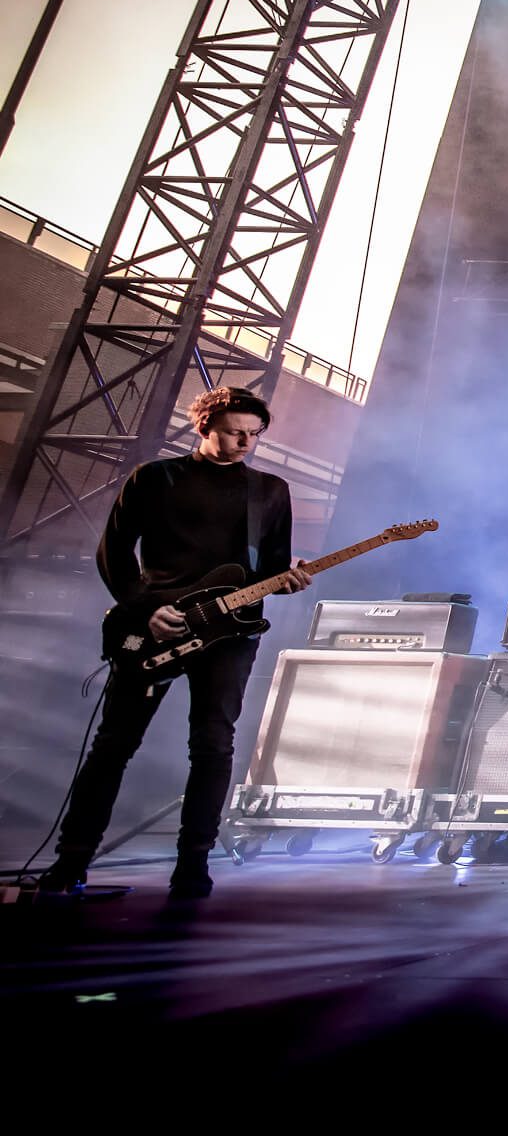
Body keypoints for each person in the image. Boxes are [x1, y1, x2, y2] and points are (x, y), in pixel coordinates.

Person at [38, 385, 308, 898]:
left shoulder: (270, 490)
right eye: (233, 432)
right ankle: (71, 860)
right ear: (204, 426)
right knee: (113, 745)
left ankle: (193, 864)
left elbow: (270, 567)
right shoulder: (154, 478)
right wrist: (145, 609)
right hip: (155, 624)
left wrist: (288, 578)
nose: (244, 443)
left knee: (213, 745)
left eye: (253, 435)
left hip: (230, 633)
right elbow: (114, 552)